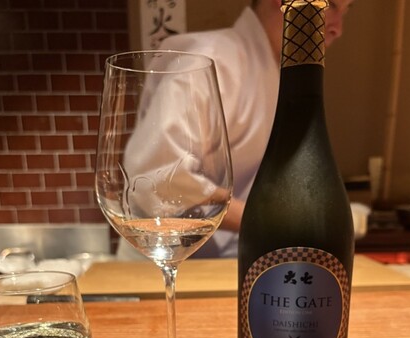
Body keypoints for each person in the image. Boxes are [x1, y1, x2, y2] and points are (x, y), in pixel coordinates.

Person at [117, 0, 354, 260]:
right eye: (331, 5)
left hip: (221, 266)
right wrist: (277, 224)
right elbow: (159, 179)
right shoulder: (213, 59)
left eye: (347, 11)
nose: (339, 28)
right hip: (162, 264)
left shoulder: (278, 77)